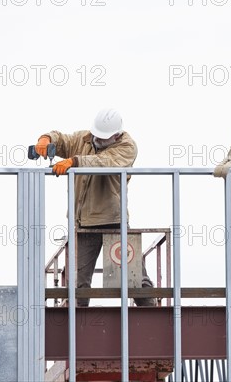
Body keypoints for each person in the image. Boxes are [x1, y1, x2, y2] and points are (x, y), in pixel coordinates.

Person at [34, 108, 156, 307]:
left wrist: (74, 161)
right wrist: (47, 139)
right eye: (96, 134)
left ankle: (154, 317)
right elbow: (63, 139)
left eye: (103, 136)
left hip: (114, 222)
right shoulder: (85, 139)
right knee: (78, 286)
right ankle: (75, 329)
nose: (97, 139)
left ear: (115, 135)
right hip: (84, 223)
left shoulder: (127, 146)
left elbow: (105, 163)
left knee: (136, 281)